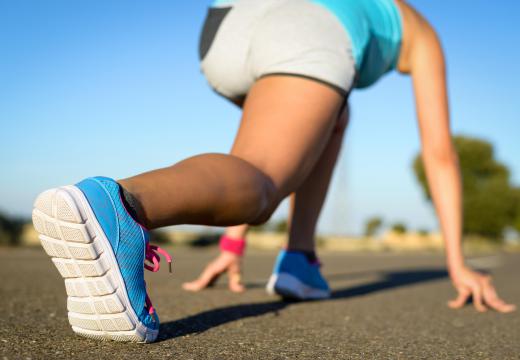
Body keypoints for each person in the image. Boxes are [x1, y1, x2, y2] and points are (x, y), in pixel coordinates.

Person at [31, 0, 515, 344]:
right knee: (261, 180)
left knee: (332, 118)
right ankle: (119, 204)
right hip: (306, 31)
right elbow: (440, 153)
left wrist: (233, 243)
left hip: (226, 29)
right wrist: (457, 263)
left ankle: (300, 260)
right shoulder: (419, 31)